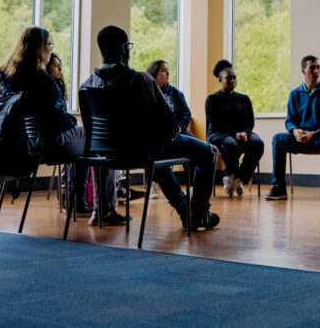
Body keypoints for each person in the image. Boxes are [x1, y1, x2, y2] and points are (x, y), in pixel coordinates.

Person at [80, 26, 219, 230]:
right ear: (124, 49)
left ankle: (183, 207)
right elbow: (169, 125)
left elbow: (90, 128)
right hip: (143, 151)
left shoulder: (87, 85)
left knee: (157, 152)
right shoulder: (140, 80)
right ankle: (198, 214)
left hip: (105, 154)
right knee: (208, 152)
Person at [0, 28, 124, 225]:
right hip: (54, 143)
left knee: (87, 139)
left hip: (31, 144)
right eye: (49, 45)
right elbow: (58, 120)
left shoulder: (12, 77)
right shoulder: (42, 80)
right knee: (102, 137)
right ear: (40, 49)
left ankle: (79, 199)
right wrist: (72, 120)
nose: (50, 50)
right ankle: (104, 209)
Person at [266, 55, 320, 201]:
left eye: (318, 67)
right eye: (312, 67)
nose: (316, 70)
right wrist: (295, 131)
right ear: (303, 70)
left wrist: (314, 134)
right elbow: (289, 120)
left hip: (319, 139)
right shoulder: (295, 94)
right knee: (278, 138)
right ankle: (279, 187)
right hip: (299, 140)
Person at [206, 60, 263, 197]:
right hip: (218, 133)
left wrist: (245, 132)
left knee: (257, 143)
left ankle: (238, 179)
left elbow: (250, 121)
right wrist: (234, 133)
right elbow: (216, 122)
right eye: (228, 78)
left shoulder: (244, 99)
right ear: (220, 79)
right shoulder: (212, 99)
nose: (232, 81)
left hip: (241, 133)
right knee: (231, 144)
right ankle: (229, 175)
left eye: (234, 78)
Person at [146, 60, 193, 137]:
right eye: (163, 70)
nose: (168, 73)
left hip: (176, 133)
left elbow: (186, 113)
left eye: (167, 70)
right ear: (153, 73)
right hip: (154, 134)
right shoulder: (146, 93)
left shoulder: (176, 93)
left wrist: (180, 127)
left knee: (201, 146)